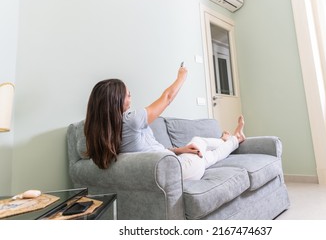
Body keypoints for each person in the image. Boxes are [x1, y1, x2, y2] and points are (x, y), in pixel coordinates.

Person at [84, 64, 245, 180]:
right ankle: (234, 139)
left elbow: (149, 152)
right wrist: (182, 76)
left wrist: (179, 149)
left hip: (172, 167)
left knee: (200, 150)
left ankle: (228, 140)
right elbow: (167, 97)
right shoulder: (131, 120)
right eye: (128, 95)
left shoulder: (104, 133)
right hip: (180, 171)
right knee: (200, 143)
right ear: (116, 101)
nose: (130, 97)